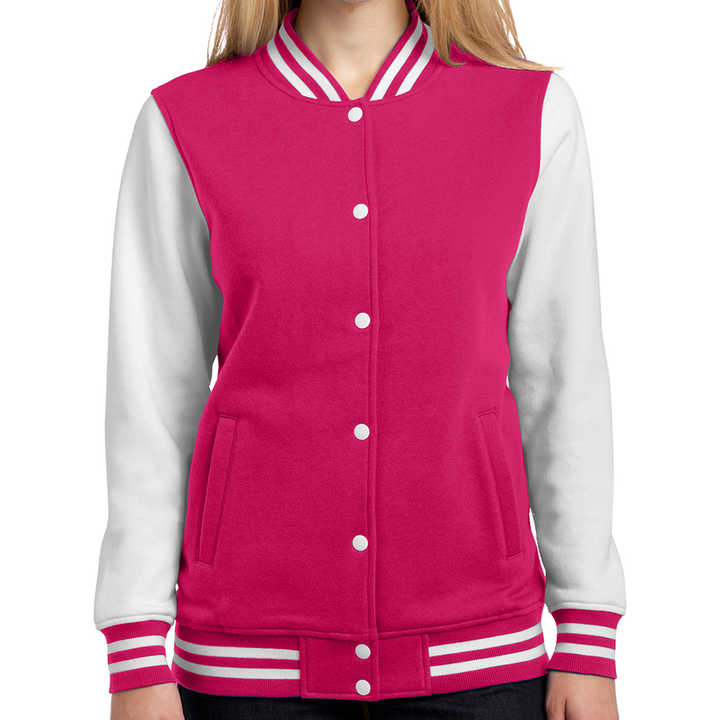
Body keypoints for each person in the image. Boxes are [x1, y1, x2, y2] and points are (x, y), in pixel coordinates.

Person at [95, 1, 626, 718]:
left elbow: (564, 383)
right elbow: (151, 401)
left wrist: (587, 629)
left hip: (481, 660)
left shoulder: (529, 112)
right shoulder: (185, 121)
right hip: (247, 668)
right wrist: (135, 649)